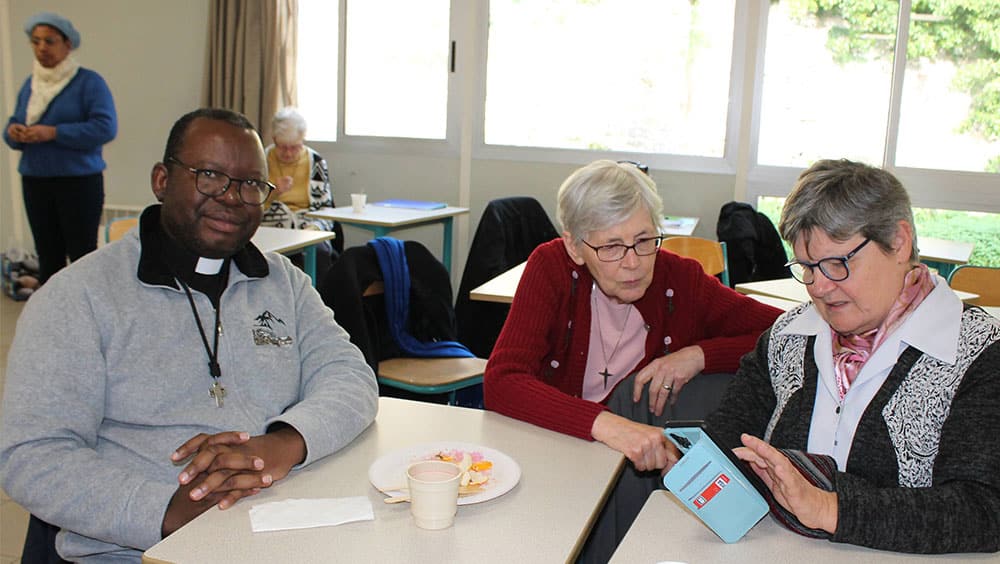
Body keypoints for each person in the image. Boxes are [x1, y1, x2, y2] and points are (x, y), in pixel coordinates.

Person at [0, 108, 379, 562]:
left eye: (250, 185)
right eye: (210, 176)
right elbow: (32, 455)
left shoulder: (284, 283)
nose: (233, 198)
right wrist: (166, 511)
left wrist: (282, 444)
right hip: (137, 547)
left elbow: (350, 376)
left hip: (280, 527)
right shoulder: (77, 298)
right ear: (162, 180)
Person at [484, 159, 783, 560]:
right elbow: (502, 380)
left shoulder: (679, 279)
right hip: (555, 453)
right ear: (575, 246)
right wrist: (610, 426)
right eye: (610, 246)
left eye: (644, 240)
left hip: (635, 472)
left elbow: (783, 334)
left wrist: (699, 355)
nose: (633, 261)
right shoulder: (551, 267)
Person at [705, 159, 1000, 554]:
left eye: (837, 264)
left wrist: (828, 507)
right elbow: (724, 445)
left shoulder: (977, 352)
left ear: (899, 242)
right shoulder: (788, 336)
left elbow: (983, 510)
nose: (821, 288)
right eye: (807, 268)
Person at [3, 12, 117, 284]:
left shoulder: (88, 82)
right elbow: (15, 125)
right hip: (36, 180)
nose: (42, 48)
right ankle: (49, 319)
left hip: (78, 183)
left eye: (49, 41)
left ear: (68, 45)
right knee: (48, 254)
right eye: (36, 41)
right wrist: (13, 131)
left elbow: (105, 128)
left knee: (82, 256)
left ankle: (86, 319)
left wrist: (54, 133)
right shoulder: (31, 84)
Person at [261, 107, 343, 271]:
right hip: (271, 230)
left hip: (308, 228)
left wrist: (313, 230)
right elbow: (249, 207)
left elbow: (326, 211)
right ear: (274, 139)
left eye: (295, 147)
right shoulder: (261, 160)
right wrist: (273, 193)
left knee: (319, 253)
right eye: (283, 147)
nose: (289, 153)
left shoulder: (316, 162)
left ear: (303, 139)